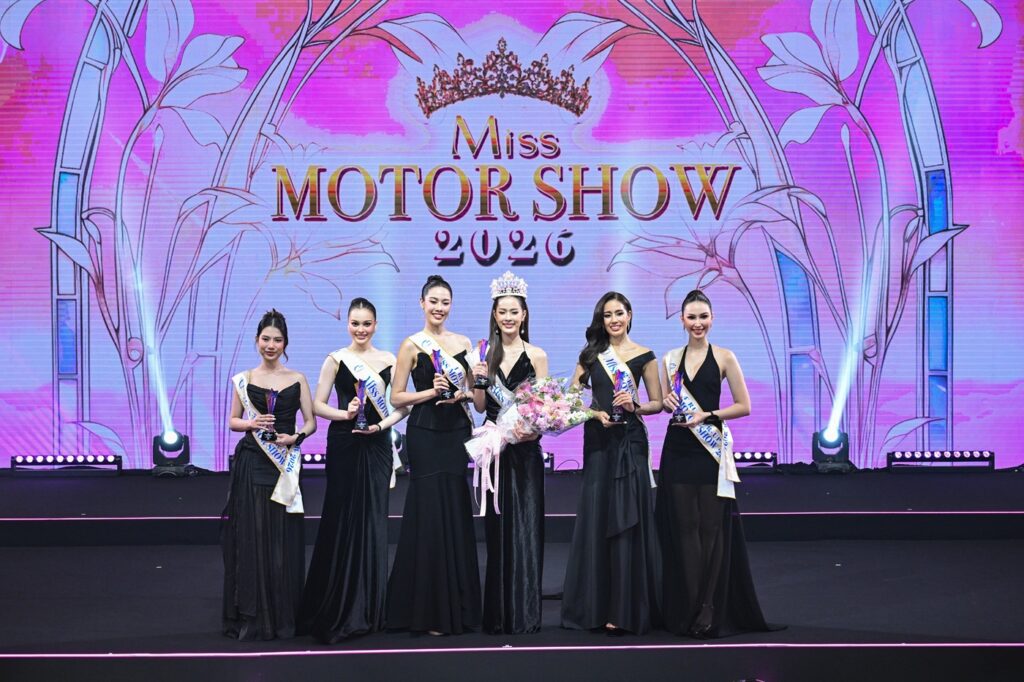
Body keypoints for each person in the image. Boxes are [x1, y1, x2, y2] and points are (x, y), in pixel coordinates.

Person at [658, 289, 773, 638]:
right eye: (692, 317)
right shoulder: (670, 359)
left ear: (712, 319)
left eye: (703, 317)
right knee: (685, 529)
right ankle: (690, 603)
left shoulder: (724, 357)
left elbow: (744, 405)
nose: (698, 323)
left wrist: (707, 415)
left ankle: (709, 606)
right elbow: (666, 403)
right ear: (682, 320)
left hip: (709, 450)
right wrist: (667, 402)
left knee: (711, 529)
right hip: (679, 448)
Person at [298, 298, 410, 643]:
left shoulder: (390, 360)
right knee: (341, 515)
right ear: (347, 324)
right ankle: (337, 600)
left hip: (376, 444)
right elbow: (317, 405)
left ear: (376, 325)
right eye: (355, 323)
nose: (361, 329)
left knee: (374, 519)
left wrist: (381, 427)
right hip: (345, 442)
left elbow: (401, 408)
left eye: (366, 323)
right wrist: (344, 414)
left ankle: (371, 606)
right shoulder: (335, 359)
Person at [561, 292, 663, 635]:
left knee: (628, 517)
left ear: (630, 315)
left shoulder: (645, 355)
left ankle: (625, 609)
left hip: (630, 443)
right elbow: (571, 401)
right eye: (608, 315)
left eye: (620, 313)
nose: (614, 320)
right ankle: (596, 607)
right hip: (599, 443)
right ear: (601, 319)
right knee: (599, 516)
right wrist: (594, 414)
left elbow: (657, 403)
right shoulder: (591, 356)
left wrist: (635, 405)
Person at [385, 275, 481, 635]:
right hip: (424, 434)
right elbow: (396, 396)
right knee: (426, 511)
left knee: (454, 508)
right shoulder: (411, 345)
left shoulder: (464, 343)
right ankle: (424, 608)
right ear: (422, 303)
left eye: (445, 302)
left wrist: (471, 388)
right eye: (433, 301)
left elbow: (476, 397)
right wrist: (429, 392)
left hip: (455, 433)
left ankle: (457, 606)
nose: (439, 307)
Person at [222, 309, 316, 640]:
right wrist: (251, 423)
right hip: (252, 462)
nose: (270, 345)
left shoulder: (298, 379)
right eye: (265, 339)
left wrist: (296, 437)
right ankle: (255, 612)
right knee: (253, 534)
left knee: (282, 537)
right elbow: (233, 421)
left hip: (284, 464)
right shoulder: (244, 379)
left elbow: (311, 422)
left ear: (285, 343)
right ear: (257, 340)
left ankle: (282, 613)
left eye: (277, 340)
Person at [470, 272, 549, 634]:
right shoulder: (483, 355)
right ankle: (499, 614)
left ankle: (524, 613)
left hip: (526, 449)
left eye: (514, 311)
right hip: (496, 451)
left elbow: (544, 407)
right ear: (494, 314)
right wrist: (479, 379)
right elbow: (479, 406)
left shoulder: (537, 355)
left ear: (524, 314)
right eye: (502, 311)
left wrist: (531, 429)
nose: (508, 317)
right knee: (497, 530)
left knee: (527, 528)